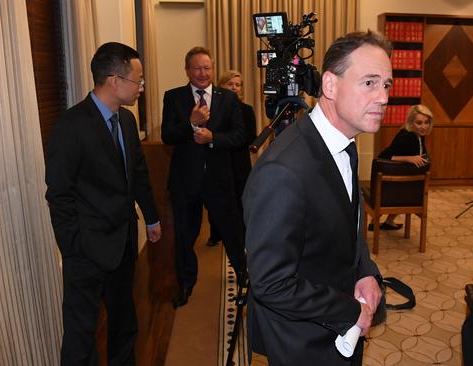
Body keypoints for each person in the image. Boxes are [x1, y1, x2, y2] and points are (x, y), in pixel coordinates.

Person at [243, 30, 391, 366]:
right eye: (369, 82)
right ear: (330, 85)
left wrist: (364, 271)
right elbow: (272, 283)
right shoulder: (283, 171)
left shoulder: (345, 144)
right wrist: (349, 311)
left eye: (386, 84)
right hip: (305, 341)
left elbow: (347, 220)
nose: (383, 97)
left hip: (341, 324)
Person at [45, 42, 161, 365]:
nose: (141, 87)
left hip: (123, 245)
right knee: (81, 339)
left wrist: (151, 218)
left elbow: (137, 173)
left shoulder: (125, 121)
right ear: (115, 80)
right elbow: (58, 193)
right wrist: (73, 248)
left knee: (125, 326)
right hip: (86, 251)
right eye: (138, 79)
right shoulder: (70, 126)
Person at [161, 47, 246, 308]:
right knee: (185, 237)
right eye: (197, 68)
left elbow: (240, 136)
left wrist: (214, 138)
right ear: (187, 70)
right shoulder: (173, 97)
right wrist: (191, 123)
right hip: (186, 182)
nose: (202, 73)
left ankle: (244, 277)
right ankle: (186, 283)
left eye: (207, 68)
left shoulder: (227, 99)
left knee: (233, 233)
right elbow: (167, 135)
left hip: (219, 180)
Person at [205, 70, 257, 246]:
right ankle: (216, 234)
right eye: (230, 84)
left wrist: (224, 140)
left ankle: (242, 237)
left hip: (239, 162)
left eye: (238, 84)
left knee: (240, 200)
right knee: (216, 200)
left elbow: (249, 137)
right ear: (221, 85)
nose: (235, 88)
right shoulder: (212, 110)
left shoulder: (247, 110)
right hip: (217, 160)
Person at [369, 104, 433, 231]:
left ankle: (388, 221)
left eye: (426, 122)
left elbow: (421, 155)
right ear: (411, 123)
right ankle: (375, 220)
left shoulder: (418, 135)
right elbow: (384, 157)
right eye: (419, 123)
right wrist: (408, 158)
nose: (423, 126)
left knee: (404, 184)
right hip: (391, 186)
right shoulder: (406, 136)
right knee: (401, 186)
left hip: (402, 183)